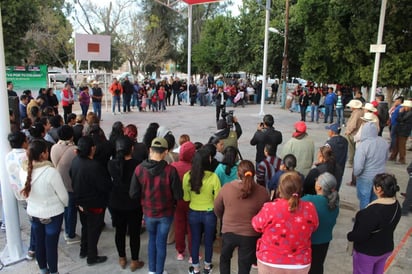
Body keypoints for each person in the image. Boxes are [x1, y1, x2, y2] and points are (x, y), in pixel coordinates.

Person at [129, 137, 182, 274]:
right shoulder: (170, 171)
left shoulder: (139, 169)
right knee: (161, 242)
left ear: (150, 150)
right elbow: (178, 195)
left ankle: (152, 270)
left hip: (148, 213)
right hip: (165, 214)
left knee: (152, 240)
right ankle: (159, 271)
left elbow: (133, 194)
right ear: (166, 152)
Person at [252, 172, 319, 273]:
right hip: (300, 263)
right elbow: (314, 227)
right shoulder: (310, 208)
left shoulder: (269, 208)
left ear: (280, 190)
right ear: (301, 189)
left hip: (269, 260)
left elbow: (256, 225)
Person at [20, 140, 68, 274]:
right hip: (52, 214)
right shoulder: (51, 172)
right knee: (51, 246)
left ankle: (43, 270)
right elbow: (63, 196)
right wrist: (64, 205)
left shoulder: (23, 170)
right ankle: (53, 271)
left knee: (39, 242)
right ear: (43, 154)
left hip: (33, 213)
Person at [214, 160, 269, 274]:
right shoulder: (263, 192)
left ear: (238, 174)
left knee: (224, 258)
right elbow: (265, 215)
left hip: (228, 231)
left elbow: (217, 208)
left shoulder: (226, 188)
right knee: (244, 264)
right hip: (250, 235)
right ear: (254, 174)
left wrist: (224, 219)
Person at [70, 136, 112, 265]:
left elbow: (70, 174)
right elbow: (105, 186)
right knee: (94, 229)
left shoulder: (75, 161)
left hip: (80, 201)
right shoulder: (94, 166)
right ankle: (92, 256)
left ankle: (84, 250)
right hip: (94, 203)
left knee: (85, 226)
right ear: (92, 149)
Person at [347, 173, 401, 274]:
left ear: (378, 189)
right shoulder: (396, 205)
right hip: (386, 248)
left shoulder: (371, 212)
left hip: (368, 252)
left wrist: (350, 236)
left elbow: (360, 235)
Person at [108, 136, 144, 271]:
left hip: (116, 203)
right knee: (134, 233)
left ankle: (122, 258)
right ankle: (135, 261)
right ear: (132, 149)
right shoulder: (138, 164)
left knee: (119, 231)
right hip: (133, 204)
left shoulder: (111, 164)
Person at [183, 148, 221, 274]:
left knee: (195, 240)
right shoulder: (214, 177)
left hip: (193, 212)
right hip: (210, 213)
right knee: (209, 241)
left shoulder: (187, 176)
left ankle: (195, 268)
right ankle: (207, 266)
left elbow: (186, 197)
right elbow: (218, 198)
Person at [302, 173, 339, 274]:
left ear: (318, 186)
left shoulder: (308, 200)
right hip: (324, 241)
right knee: (318, 266)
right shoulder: (334, 203)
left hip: (309, 242)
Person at [50, 125, 80, 245]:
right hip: (70, 184)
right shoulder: (74, 150)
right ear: (71, 136)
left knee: (64, 208)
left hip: (58, 183)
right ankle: (70, 234)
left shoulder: (53, 148)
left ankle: (66, 230)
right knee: (71, 210)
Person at [170, 141, 196, 261]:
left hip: (177, 201)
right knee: (192, 228)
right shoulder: (194, 168)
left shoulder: (174, 166)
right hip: (191, 202)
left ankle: (180, 251)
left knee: (179, 226)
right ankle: (192, 254)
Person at [354, 122, 389, 209]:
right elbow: (385, 158)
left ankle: (364, 219)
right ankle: (373, 218)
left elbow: (358, 166)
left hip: (365, 177)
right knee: (375, 199)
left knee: (364, 199)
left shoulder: (363, 146)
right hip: (380, 177)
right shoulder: (384, 142)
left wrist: (356, 174)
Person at [325, 123, 348, 190]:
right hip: (340, 169)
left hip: (330, 170)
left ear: (332, 132)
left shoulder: (329, 143)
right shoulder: (345, 141)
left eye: (329, 130)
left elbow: (325, 155)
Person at [389, 100, 412, 164]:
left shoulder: (409, 113)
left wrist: (400, 113)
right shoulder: (406, 112)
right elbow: (399, 119)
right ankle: (393, 156)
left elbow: (401, 119)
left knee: (401, 145)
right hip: (401, 129)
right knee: (396, 144)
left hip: (404, 131)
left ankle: (402, 159)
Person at [344, 99, 364, 168]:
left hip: (353, 133)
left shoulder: (356, 113)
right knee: (355, 148)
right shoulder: (361, 112)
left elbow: (353, 124)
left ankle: (350, 161)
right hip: (358, 133)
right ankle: (354, 161)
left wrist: (348, 131)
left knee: (351, 148)